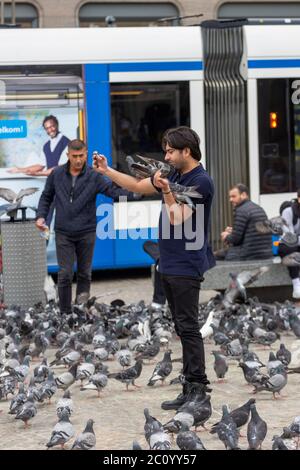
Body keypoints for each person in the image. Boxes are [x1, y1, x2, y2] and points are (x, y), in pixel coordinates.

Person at [93, 126, 215, 409]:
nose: (167, 156)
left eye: (171, 151)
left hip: (187, 263)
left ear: (187, 151)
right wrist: (106, 171)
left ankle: (198, 390)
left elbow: (177, 218)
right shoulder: (173, 175)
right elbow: (136, 186)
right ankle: (188, 387)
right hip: (169, 262)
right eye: (166, 151)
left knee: (189, 328)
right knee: (181, 329)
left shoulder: (202, 181)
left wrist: (167, 190)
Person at [35, 139, 132, 323]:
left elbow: (112, 191)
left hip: (87, 231)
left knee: (84, 273)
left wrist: (135, 191)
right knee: (64, 273)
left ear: (86, 154)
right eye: (75, 156)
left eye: (81, 156)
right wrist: (41, 216)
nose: (78, 160)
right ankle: (65, 314)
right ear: (68, 155)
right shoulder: (56, 174)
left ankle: (80, 310)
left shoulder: (94, 176)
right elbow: (46, 197)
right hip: (63, 231)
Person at [216, 183, 273, 261]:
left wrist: (226, 236)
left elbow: (236, 239)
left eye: (233, 196)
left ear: (243, 195)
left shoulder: (241, 210)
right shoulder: (258, 208)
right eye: (230, 197)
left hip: (249, 253)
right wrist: (234, 231)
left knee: (214, 257)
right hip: (266, 253)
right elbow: (250, 231)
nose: (230, 200)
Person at [278, 189, 300, 299]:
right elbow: (289, 235)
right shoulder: (288, 211)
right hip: (288, 244)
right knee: (291, 249)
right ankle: (296, 285)